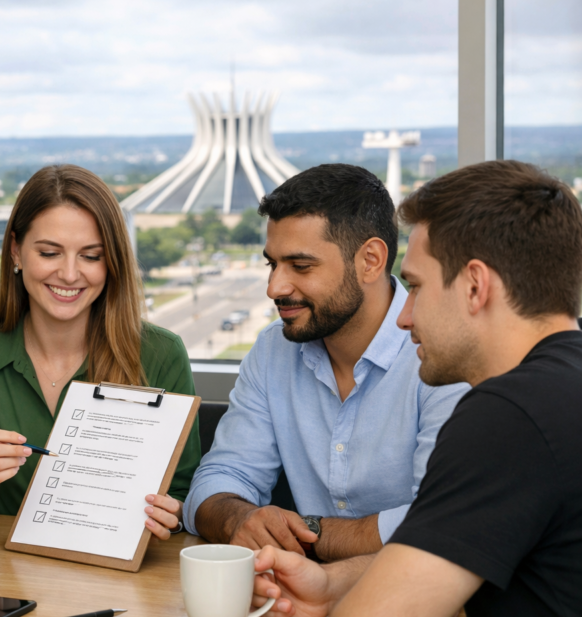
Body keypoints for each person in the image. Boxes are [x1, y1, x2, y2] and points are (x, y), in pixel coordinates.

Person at [252, 160, 582, 617]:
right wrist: (334, 584)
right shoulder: (562, 391)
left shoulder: (507, 420)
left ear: (475, 286)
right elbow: (462, 555)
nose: (405, 316)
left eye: (417, 287)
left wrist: (350, 602)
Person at [184, 164, 468, 562]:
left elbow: (442, 522)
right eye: (272, 264)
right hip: (292, 599)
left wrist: (303, 535)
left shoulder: (445, 358)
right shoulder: (272, 350)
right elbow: (217, 481)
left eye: (301, 266)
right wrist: (239, 520)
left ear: (370, 260)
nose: (275, 288)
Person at [0, 164, 200, 539]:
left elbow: (184, 494)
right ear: (16, 252)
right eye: (51, 252)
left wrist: (176, 512)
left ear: (112, 263)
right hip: (1, 581)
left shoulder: (161, 354)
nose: (70, 275)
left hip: (116, 578)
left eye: (91, 256)